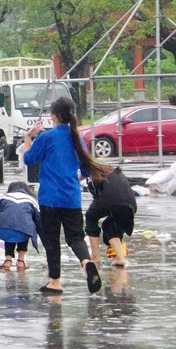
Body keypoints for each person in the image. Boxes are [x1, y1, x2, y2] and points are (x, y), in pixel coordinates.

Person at [21, 95, 107, 295]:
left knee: (52, 240)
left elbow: (29, 159)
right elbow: (86, 170)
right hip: (71, 197)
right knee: (75, 237)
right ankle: (86, 262)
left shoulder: (47, 137)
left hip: (50, 198)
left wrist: (28, 138)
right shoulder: (78, 139)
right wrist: (72, 178)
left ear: (54, 116)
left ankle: (56, 282)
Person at [86, 165, 136, 270]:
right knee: (109, 226)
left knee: (90, 217)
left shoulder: (97, 174)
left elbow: (96, 192)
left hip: (110, 200)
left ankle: (95, 256)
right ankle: (120, 258)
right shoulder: (118, 174)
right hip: (131, 205)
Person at [0, 181, 40, 272]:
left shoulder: (3, 198)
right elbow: (38, 220)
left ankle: (8, 261)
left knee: (10, 229)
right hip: (23, 231)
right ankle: (21, 261)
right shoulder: (31, 200)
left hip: (3, 231)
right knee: (24, 228)